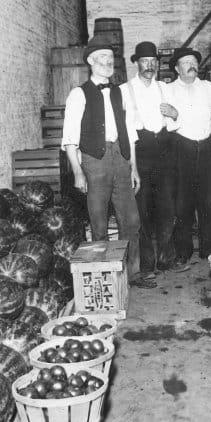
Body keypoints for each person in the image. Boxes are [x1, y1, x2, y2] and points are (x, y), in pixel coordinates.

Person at [61, 33, 155, 289]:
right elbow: (70, 138)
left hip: (121, 159)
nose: (108, 61)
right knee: (99, 222)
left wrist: (133, 167)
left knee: (131, 220)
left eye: (111, 57)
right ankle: (103, 275)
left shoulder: (120, 93)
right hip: (94, 161)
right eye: (102, 57)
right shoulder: (78, 94)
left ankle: (132, 273)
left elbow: (130, 133)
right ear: (90, 61)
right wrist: (78, 172)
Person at [120, 41, 177, 276]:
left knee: (166, 207)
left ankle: (165, 258)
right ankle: (146, 262)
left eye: (153, 61)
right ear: (137, 63)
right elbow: (125, 131)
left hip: (164, 151)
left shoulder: (165, 88)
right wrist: (132, 167)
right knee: (142, 210)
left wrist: (175, 113)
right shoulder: (125, 90)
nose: (150, 66)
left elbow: (176, 122)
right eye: (145, 61)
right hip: (140, 153)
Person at [163, 47, 211, 271]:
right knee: (182, 203)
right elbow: (164, 120)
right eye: (186, 62)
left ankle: (210, 249)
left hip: (206, 147)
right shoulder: (168, 90)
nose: (192, 66)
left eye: (194, 62)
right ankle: (183, 251)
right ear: (177, 68)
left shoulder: (209, 88)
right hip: (181, 148)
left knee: (209, 202)